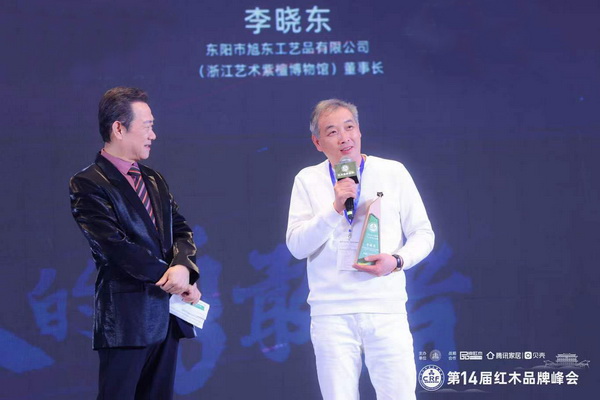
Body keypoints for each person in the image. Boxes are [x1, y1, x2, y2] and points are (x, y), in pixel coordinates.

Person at [286, 99, 434, 399]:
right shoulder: (307, 179)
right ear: (317, 142)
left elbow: (423, 233)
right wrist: (334, 209)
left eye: (349, 127)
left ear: (359, 131)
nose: (344, 138)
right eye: (332, 132)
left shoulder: (393, 172)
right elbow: (297, 246)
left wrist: (397, 260)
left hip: (385, 308)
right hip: (331, 314)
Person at [69, 87, 201, 400]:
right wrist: (172, 278)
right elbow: (114, 246)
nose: (153, 135)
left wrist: (184, 268)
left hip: (166, 315)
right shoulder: (87, 183)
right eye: (147, 126)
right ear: (119, 128)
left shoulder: (154, 179)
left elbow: (181, 230)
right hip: (125, 320)